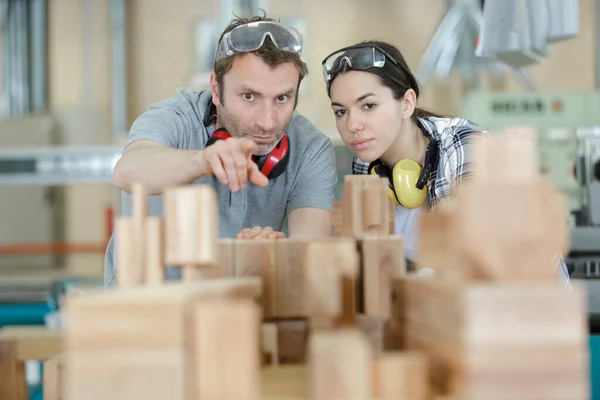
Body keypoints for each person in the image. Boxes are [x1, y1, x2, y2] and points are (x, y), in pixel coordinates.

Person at [103, 16, 338, 287]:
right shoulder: (174, 117)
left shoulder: (310, 146)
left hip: (237, 310)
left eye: (282, 98)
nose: (267, 121)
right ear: (216, 89)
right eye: (249, 96)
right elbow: (127, 171)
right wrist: (204, 159)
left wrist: (274, 258)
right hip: (146, 310)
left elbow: (309, 252)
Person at [321, 40, 571, 288]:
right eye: (341, 111)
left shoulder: (464, 146)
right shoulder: (367, 165)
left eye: (368, 105)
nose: (352, 125)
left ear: (407, 103)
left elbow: (478, 259)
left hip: (523, 307)